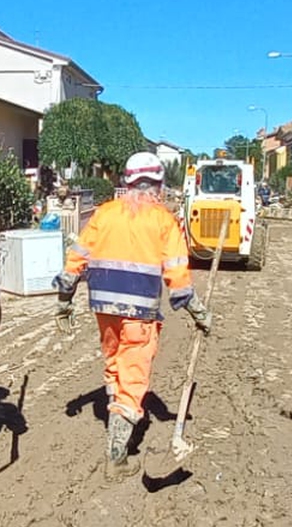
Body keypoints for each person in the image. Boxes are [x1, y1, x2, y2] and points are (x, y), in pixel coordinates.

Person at [54, 152, 211, 471]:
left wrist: (64, 300)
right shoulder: (163, 220)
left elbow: (76, 259)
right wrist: (199, 312)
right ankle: (117, 453)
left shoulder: (104, 214)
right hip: (140, 312)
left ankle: (115, 407)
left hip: (103, 307)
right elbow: (178, 277)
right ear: (157, 184)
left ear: (126, 182)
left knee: (114, 361)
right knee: (133, 374)